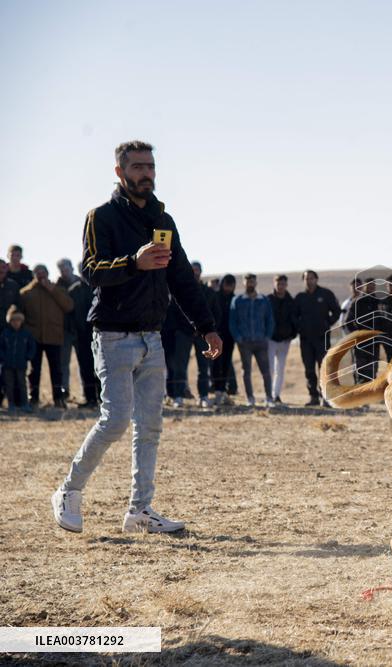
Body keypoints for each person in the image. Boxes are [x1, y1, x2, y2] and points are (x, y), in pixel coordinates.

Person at [52, 140, 221, 534]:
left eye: (151, 167)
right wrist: (134, 262)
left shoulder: (164, 219)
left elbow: (181, 279)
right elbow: (91, 271)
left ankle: (140, 511)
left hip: (153, 337)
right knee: (114, 421)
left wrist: (206, 326)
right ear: (120, 172)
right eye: (138, 167)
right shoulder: (102, 217)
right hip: (112, 336)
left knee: (150, 426)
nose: (147, 174)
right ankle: (68, 491)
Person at [20, 264, 73, 408]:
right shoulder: (26, 293)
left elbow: (69, 306)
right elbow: (20, 314)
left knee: (56, 369)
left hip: (54, 336)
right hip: (34, 338)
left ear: (48, 274)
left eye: (43, 272)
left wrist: (51, 289)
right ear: (34, 275)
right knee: (34, 369)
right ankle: (34, 397)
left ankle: (58, 398)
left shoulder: (59, 290)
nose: (41, 275)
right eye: (38, 273)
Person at [294, 270, 340, 406]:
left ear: (316, 279)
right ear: (303, 280)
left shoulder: (326, 294)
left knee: (323, 368)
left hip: (322, 338)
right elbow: (293, 316)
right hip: (305, 339)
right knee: (309, 369)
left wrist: (327, 323)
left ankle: (325, 398)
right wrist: (300, 327)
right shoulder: (300, 297)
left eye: (311, 278)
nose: (309, 281)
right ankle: (313, 397)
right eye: (306, 278)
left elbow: (336, 311)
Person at [230, 273, 275, 407]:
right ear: (243, 283)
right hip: (245, 342)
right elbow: (233, 322)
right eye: (247, 281)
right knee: (246, 371)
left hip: (261, 341)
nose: (250, 283)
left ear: (256, 283)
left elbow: (270, 319)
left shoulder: (263, 300)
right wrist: (238, 338)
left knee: (266, 371)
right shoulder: (237, 300)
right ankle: (250, 398)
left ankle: (269, 398)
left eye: (252, 281)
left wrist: (267, 336)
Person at [67, 262, 100, 408]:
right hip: (81, 337)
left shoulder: (100, 286)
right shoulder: (73, 290)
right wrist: (74, 333)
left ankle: (102, 398)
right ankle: (90, 398)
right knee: (85, 368)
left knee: (100, 368)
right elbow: (70, 315)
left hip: (100, 335)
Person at [190, 262, 221, 408]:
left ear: (201, 272)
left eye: (197, 270)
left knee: (204, 367)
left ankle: (203, 396)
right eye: (193, 270)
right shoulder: (181, 290)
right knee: (178, 366)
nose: (195, 272)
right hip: (183, 334)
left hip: (203, 335)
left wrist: (208, 330)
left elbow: (215, 313)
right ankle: (176, 396)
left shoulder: (208, 293)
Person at [267, 274, 298, 404]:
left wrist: (292, 334)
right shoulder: (268, 299)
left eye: (283, 284)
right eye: (278, 284)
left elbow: (295, 319)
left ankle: (276, 394)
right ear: (274, 284)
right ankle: (268, 394)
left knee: (280, 368)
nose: (281, 287)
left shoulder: (291, 301)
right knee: (269, 368)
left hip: (285, 340)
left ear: (286, 285)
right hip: (271, 339)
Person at [1, 310, 36, 413]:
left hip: (21, 364)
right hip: (8, 364)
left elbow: (32, 347)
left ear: (22, 321)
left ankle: (25, 404)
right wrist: (3, 357)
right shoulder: (5, 333)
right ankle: (10, 403)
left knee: (22, 384)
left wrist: (28, 357)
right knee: (9, 385)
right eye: (13, 320)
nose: (16, 323)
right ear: (9, 321)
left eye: (18, 320)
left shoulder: (26, 334)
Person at [211, 274, 238, 406]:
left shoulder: (234, 299)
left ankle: (222, 391)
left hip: (230, 337)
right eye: (226, 284)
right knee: (217, 364)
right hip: (216, 336)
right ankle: (217, 391)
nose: (228, 288)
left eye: (231, 285)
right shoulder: (215, 297)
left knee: (227, 364)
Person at [56, 258, 80, 401]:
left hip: (81, 330)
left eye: (66, 269)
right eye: (61, 270)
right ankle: (65, 391)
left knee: (85, 364)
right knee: (63, 363)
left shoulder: (83, 283)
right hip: (65, 330)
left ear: (72, 268)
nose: (64, 272)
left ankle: (86, 391)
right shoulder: (57, 286)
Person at [0, 259, 22, 408]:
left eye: (3, 267)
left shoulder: (12, 286)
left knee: (9, 369)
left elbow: (18, 306)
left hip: (9, 333)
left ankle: (13, 400)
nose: (1, 270)